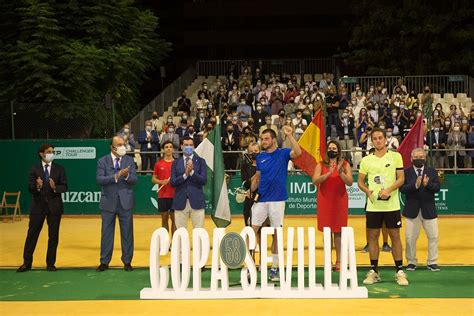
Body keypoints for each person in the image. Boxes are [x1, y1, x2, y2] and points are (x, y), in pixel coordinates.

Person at [357, 127, 408, 286]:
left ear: (386, 140)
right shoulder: (366, 160)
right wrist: (367, 190)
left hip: (392, 206)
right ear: (372, 141)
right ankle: (374, 270)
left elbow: (401, 179)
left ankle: (399, 270)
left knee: (395, 237)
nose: (378, 141)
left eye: (380, 138)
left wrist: (389, 190)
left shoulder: (396, 157)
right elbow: (359, 182)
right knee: (372, 237)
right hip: (373, 206)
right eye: (375, 138)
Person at [250, 126, 301, 282]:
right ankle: (250, 267)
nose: (263, 141)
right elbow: (257, 177)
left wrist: (290, 135)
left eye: (266, 139)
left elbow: (298, 152)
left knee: (276, 234)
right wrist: (250, 190)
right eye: (262, 139)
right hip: (261, 199)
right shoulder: (260, 157)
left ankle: (275, 268)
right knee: (252, 232)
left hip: (278, 200)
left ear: (273, 140)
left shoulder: (283, 153)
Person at [17, 144, 68, 273]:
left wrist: (55, 187)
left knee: (53, 236)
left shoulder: (59, 169)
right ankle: (27, 263)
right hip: (38, 207)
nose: (52, 153)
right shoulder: (34, 169)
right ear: (41, 154)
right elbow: (30, 188)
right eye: (49, 151)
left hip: (54, 208)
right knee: (32, 235)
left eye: (53, 151)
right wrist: (37, 186)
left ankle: (50, 264)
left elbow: (65, 186)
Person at [96, 136, 137, 272]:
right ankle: (104, 261)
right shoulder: (103, 161)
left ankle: (127, 261)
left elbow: (134, 179)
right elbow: (100, 179)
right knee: (106, 233)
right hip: (108, 203)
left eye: (123, 144)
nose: (122, 146)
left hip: (126, 202)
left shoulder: (129, 160)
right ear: (112, 147)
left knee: (127, 233)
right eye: (119, 144)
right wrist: (116, 176)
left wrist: (126, 176)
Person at [311, 141, 353, 272]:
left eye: (334, 148)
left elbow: (350, 182)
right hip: (325, 201)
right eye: (330, 148)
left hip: (339, 201)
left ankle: (339, 260)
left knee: (339, 232)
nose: (332, 150)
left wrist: (340, 172)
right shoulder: (321, 164)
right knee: (327, 232)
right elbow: (315, 180)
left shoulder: (345, 164)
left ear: (338, 150)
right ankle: (328, 260)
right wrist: (328, 173)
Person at [400, 148, 441, 272]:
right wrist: (415, 186)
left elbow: (437, 187)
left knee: (433, 237)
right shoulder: (405, 172)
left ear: (425, 158)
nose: (419, 159)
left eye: (421, 157)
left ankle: (432, 262)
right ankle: (411, 262)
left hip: (429, 210)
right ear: (411, 159)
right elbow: (402, 188)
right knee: (410, 238)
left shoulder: (432, 171)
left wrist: (427, 185)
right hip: (412, 211)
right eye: (416, 157)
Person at [170, 136, 207, 229]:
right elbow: (173, 182)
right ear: (181, 146)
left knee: (199, 232)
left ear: (194, 146)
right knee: (181, 233)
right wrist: (185, 175)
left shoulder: (201, 161)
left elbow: (204, 180)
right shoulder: (175, 163)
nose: (188, 147)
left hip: (197, 201)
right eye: (186, 145)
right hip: (180, 201)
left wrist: (192, 172)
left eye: (191, 145)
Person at [152, 140, 176, 236]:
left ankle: (174, 244)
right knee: (164, 220)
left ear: (173, 149)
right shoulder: (158, 164)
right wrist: (161, 182)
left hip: (175, 195)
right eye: (166, 147)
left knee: (175, 221)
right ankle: (165, 243)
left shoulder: (177, 163)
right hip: (162, 196)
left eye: (170, 147)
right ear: (163, 149)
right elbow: (153, 179)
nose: (169, 148)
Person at [240, 142, 260, 226]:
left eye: (256, 151)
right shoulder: (245, 165)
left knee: (261, 228)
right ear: (248, 153)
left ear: (260, 151)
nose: (253, 153)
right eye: (251, 151)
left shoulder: (265, 164)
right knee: (248, 226)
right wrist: (258, 174)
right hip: (249, 197)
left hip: (262, 198)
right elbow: (246, 183)